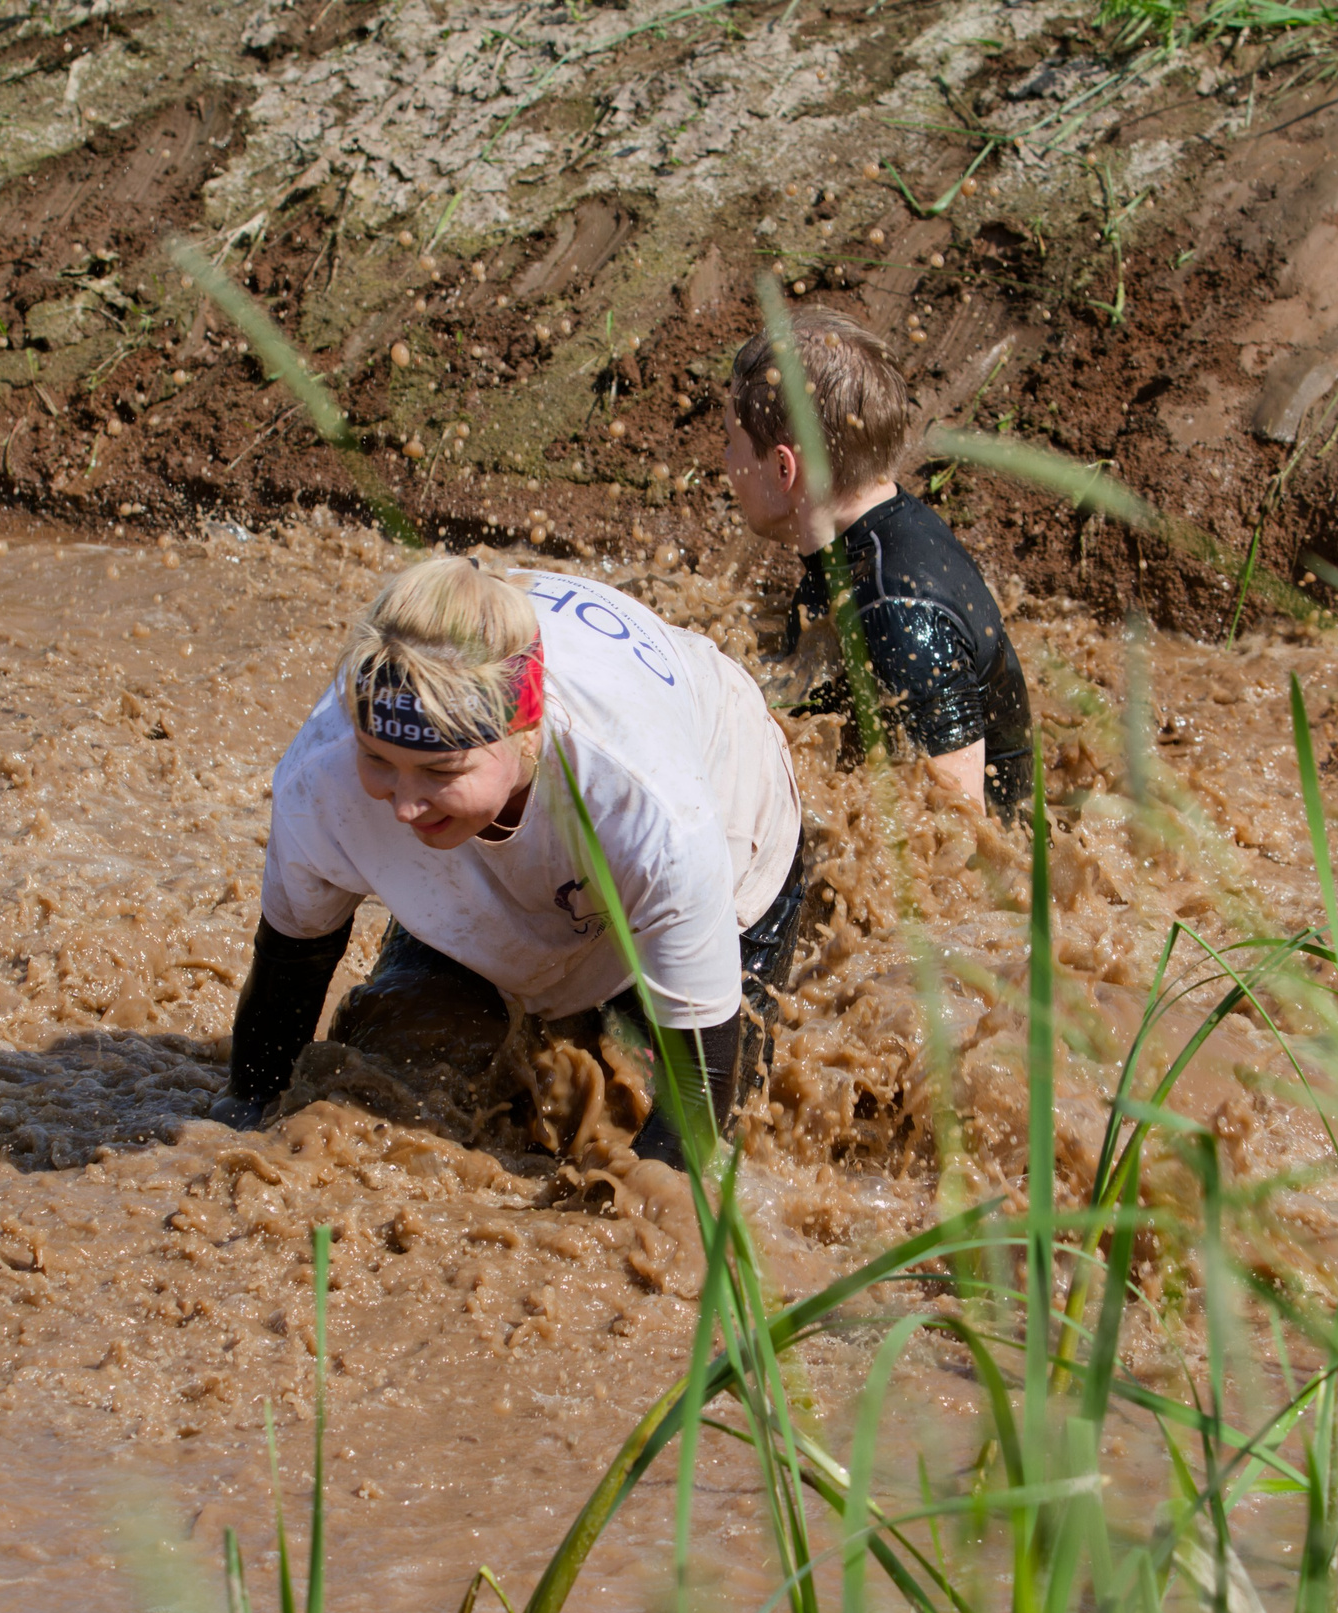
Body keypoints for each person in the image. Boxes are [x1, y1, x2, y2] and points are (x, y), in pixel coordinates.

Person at [211, 554, 806, 1169]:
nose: (406, 808)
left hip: (730, 826)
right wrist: (239, 1137)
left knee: (663, 1124)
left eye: (442, 770)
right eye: (378, 760)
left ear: (526, 730)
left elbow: (692, 1113)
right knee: (406, 1064)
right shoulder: (321, 777)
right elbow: (282, 996)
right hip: (520, 838)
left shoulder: (648, 807)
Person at [721, 307, 1035, 822]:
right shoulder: (873, 536)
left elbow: (961, 837)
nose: (728, 465)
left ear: (783, 468)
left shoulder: (899, 613)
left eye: (730, 443)